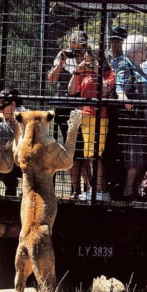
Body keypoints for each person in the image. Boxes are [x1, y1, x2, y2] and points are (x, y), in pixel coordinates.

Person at [48, 30, 91, 199]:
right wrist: (61, 62)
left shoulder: (90, 56)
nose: (76, 52)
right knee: (71, 150)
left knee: (85, 150)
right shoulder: (63, 55)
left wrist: (84, 59)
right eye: (73, 48)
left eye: (79, 49)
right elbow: (52, 80)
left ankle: (89, 189)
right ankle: (75, 189)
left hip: (84, 108)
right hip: (65, 108)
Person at [69, 48, 115, 202]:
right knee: (88, 155)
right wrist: (77, 71)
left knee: (95, 154)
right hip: (84, 116)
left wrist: (96, 71)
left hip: (99, 117)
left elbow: (105, 91)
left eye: (89, 59)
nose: (86, 62)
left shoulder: (109, 74)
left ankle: (100, 190)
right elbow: (72, 90)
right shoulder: (83, 73)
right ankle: (92, 188)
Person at [115, 34, 147, 202]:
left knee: (142, 158)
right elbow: (120, 87)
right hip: (133, 121)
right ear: (137, 51)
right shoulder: (125, 66)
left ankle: (136, 191)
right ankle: (128, 191)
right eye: (145, 50)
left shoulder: (139, 68)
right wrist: (123, 98)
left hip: (144, 121)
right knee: (133, 159)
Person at [0, 87, 26, 196]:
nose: (0, 111)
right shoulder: (0, 125)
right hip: (10, 163)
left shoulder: (26, 119)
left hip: (26, 163)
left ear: (13, 105)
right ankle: (10, 189)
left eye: (2, 107)